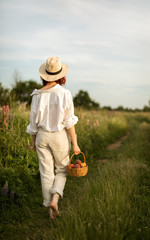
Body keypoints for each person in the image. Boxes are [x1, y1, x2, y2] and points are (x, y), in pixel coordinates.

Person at [26, 56, 81, 219]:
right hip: (59, 137)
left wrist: (34, 142)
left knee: (46, 172)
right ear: (61, 75)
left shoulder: (36, 95)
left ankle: (48, 204)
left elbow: (33, 122)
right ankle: (55, 200)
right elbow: (69, 121)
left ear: (44, 75)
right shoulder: (64, 93)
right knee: (62, 170)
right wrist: (75, 144)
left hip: (42, 136)